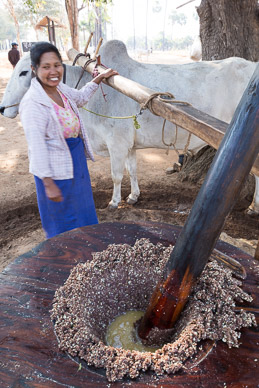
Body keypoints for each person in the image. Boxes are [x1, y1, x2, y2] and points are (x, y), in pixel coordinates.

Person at [19, 42, 118, 239]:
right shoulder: (32, 103)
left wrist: (98, 79)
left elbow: (80, 98)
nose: (53, 71)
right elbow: (36, 147)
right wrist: (48, 183)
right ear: (34, 69)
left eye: (57, 65)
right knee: (63, 219)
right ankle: (65, 258)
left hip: (75, 160)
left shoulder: (59, 89)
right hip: (54, 170)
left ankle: (86, 252)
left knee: (83, 211)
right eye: (46, 67)